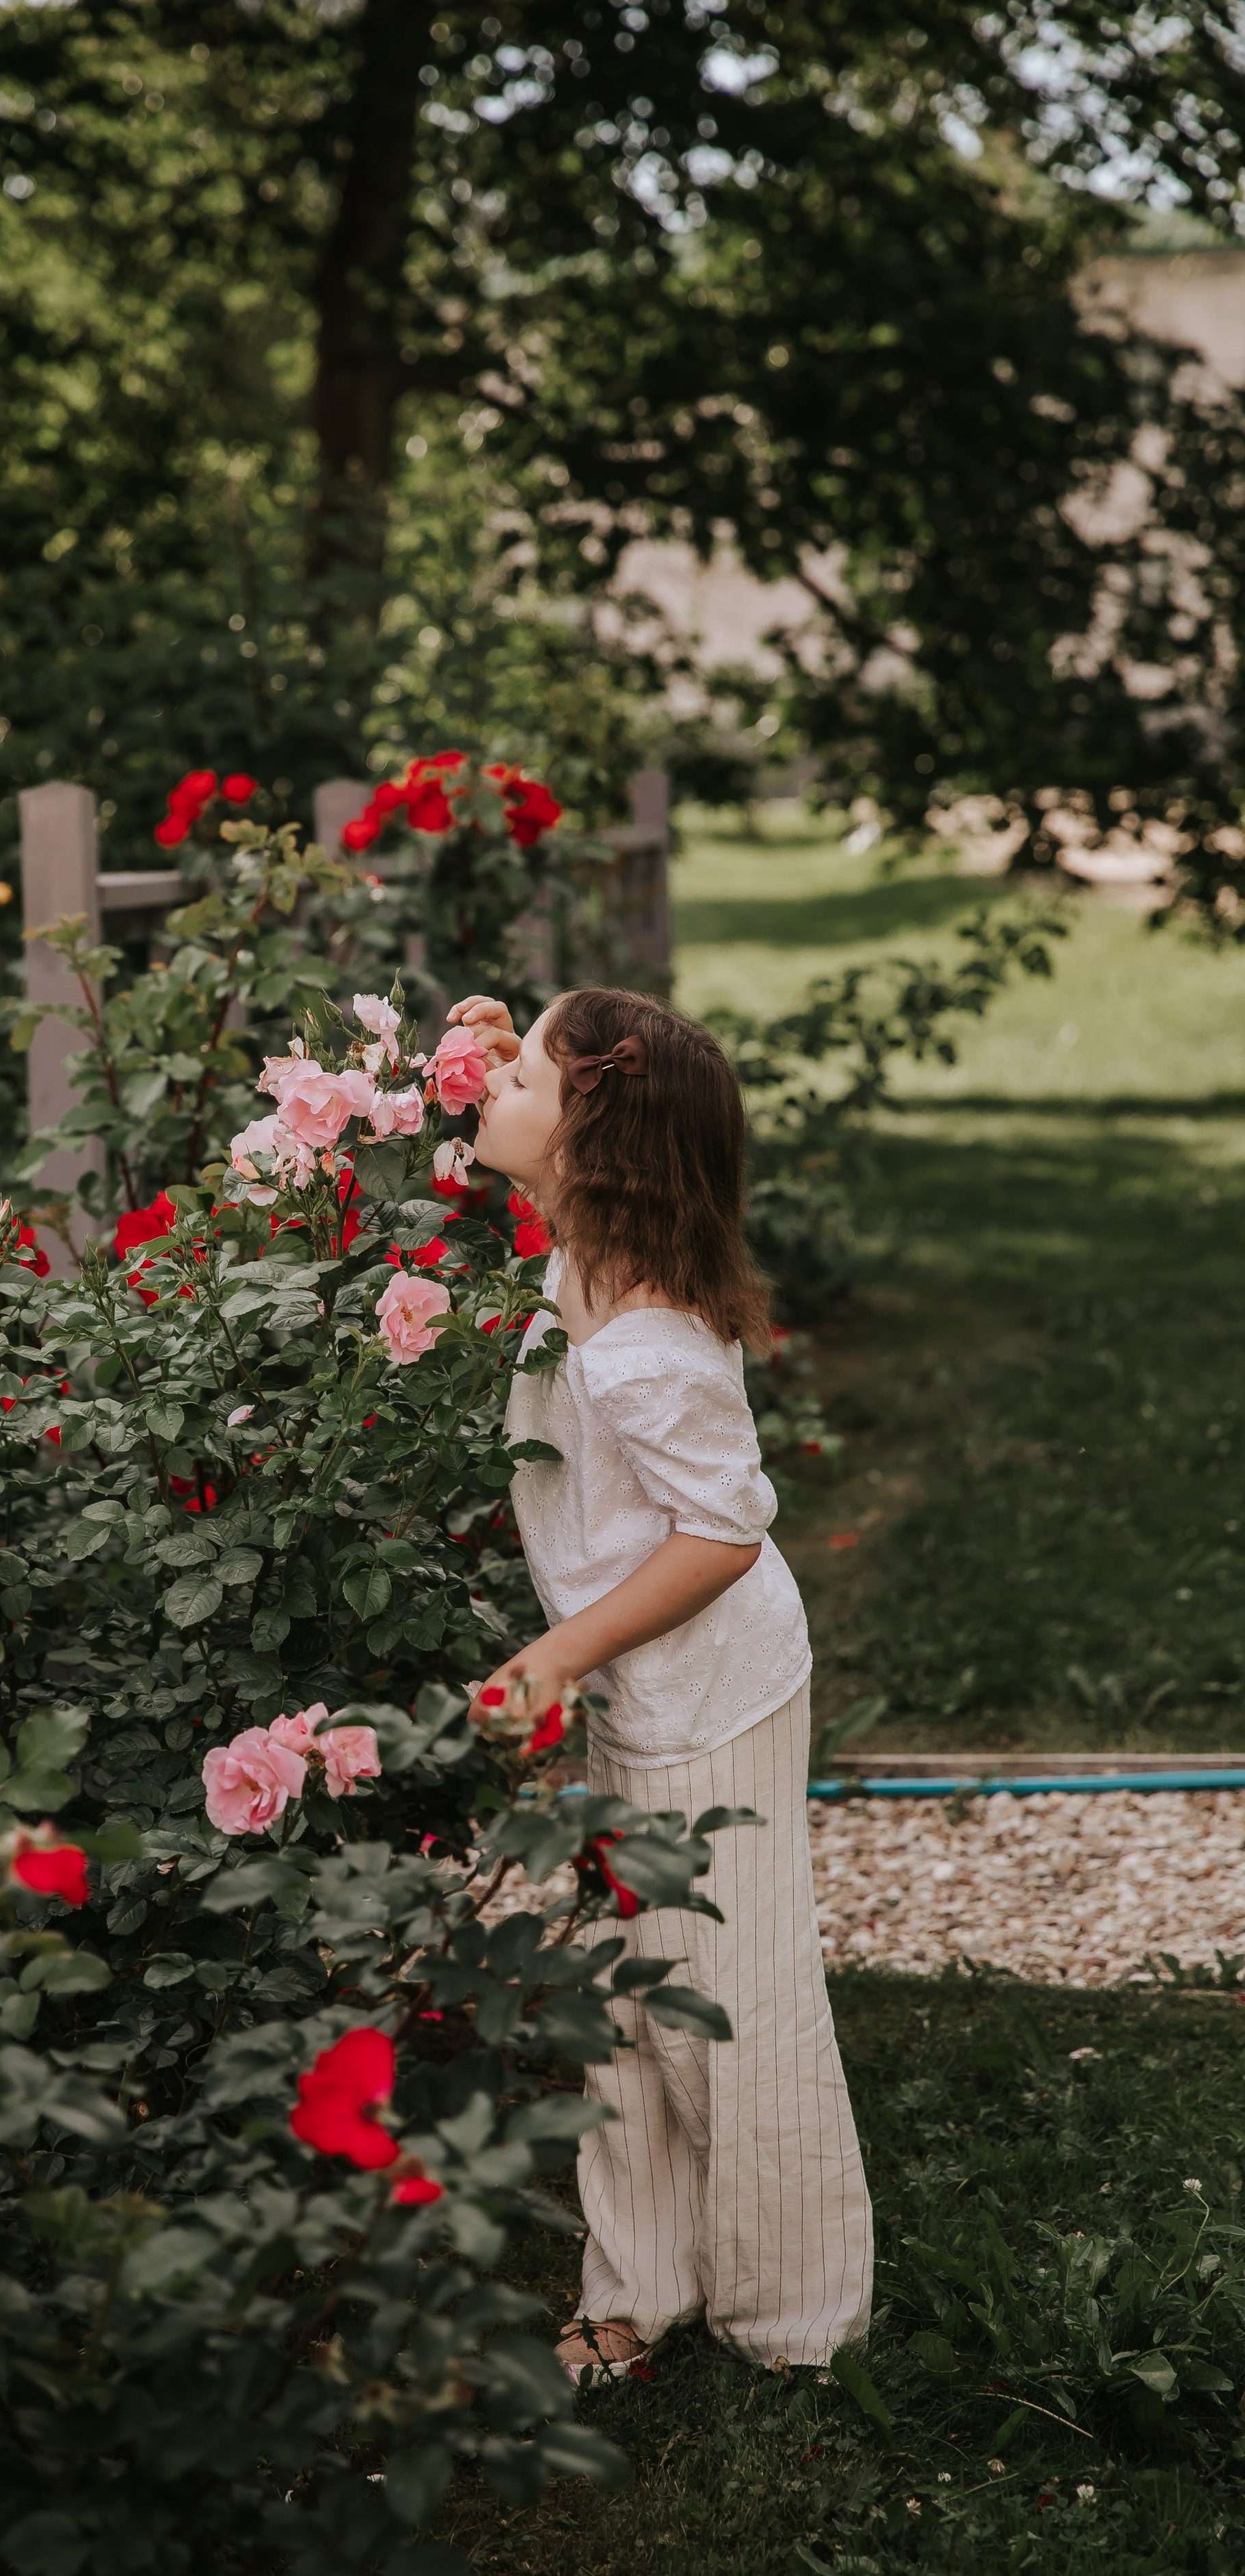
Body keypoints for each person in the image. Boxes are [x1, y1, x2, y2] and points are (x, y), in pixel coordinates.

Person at [453, 983, 873, 2382]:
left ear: (592, 1136)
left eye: (517, 1072)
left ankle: (790, 2313)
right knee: (623, 1992)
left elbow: (721, 1531)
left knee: (724, 1998)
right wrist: (496, 1036)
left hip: (705, 1696)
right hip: (640, 1684)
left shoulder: (643, 1354)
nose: (488, 1084)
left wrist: (557, 1654)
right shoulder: (589, 1255)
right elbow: (529, 1131)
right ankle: (639, 2283)